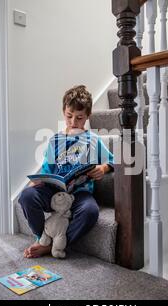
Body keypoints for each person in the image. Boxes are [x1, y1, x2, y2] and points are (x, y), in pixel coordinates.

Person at [19, 85, 114, 258]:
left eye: (79, 118)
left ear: (87, 116)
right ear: (64, 111)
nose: (73, 122)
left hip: (80, 193)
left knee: (90, 211)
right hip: (55, 192)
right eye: (69, 116)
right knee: (26, 196)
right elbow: (47, 169)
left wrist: (104, 167)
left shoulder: (93, 140)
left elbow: (115, 160)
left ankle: (57, 244)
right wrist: (37, 182)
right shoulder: (55, 140)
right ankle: (42, 239)